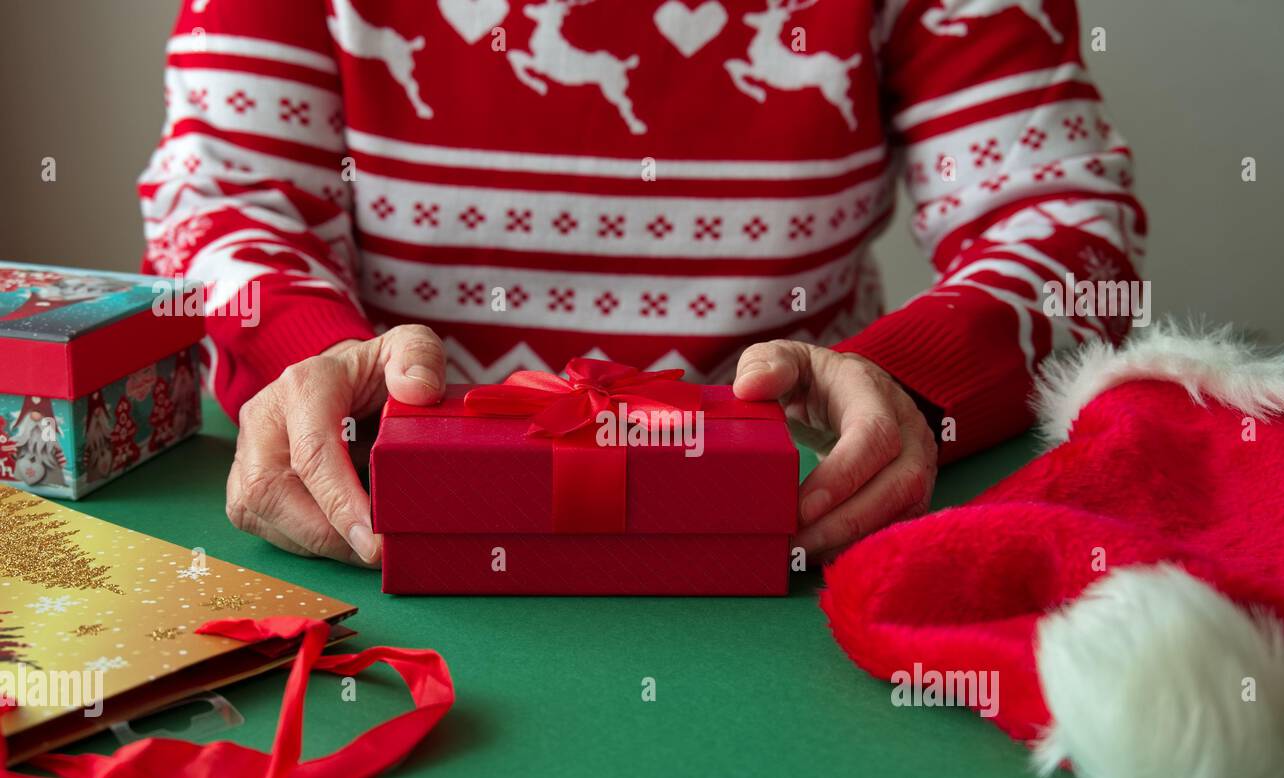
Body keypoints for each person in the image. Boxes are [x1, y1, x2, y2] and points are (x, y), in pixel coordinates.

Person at [140, 0, 1144, 567]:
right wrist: (306, 357)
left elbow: (1065, 224)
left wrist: (907, 380)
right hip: (402, 521)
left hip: (805, 516)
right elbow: (222, 199)